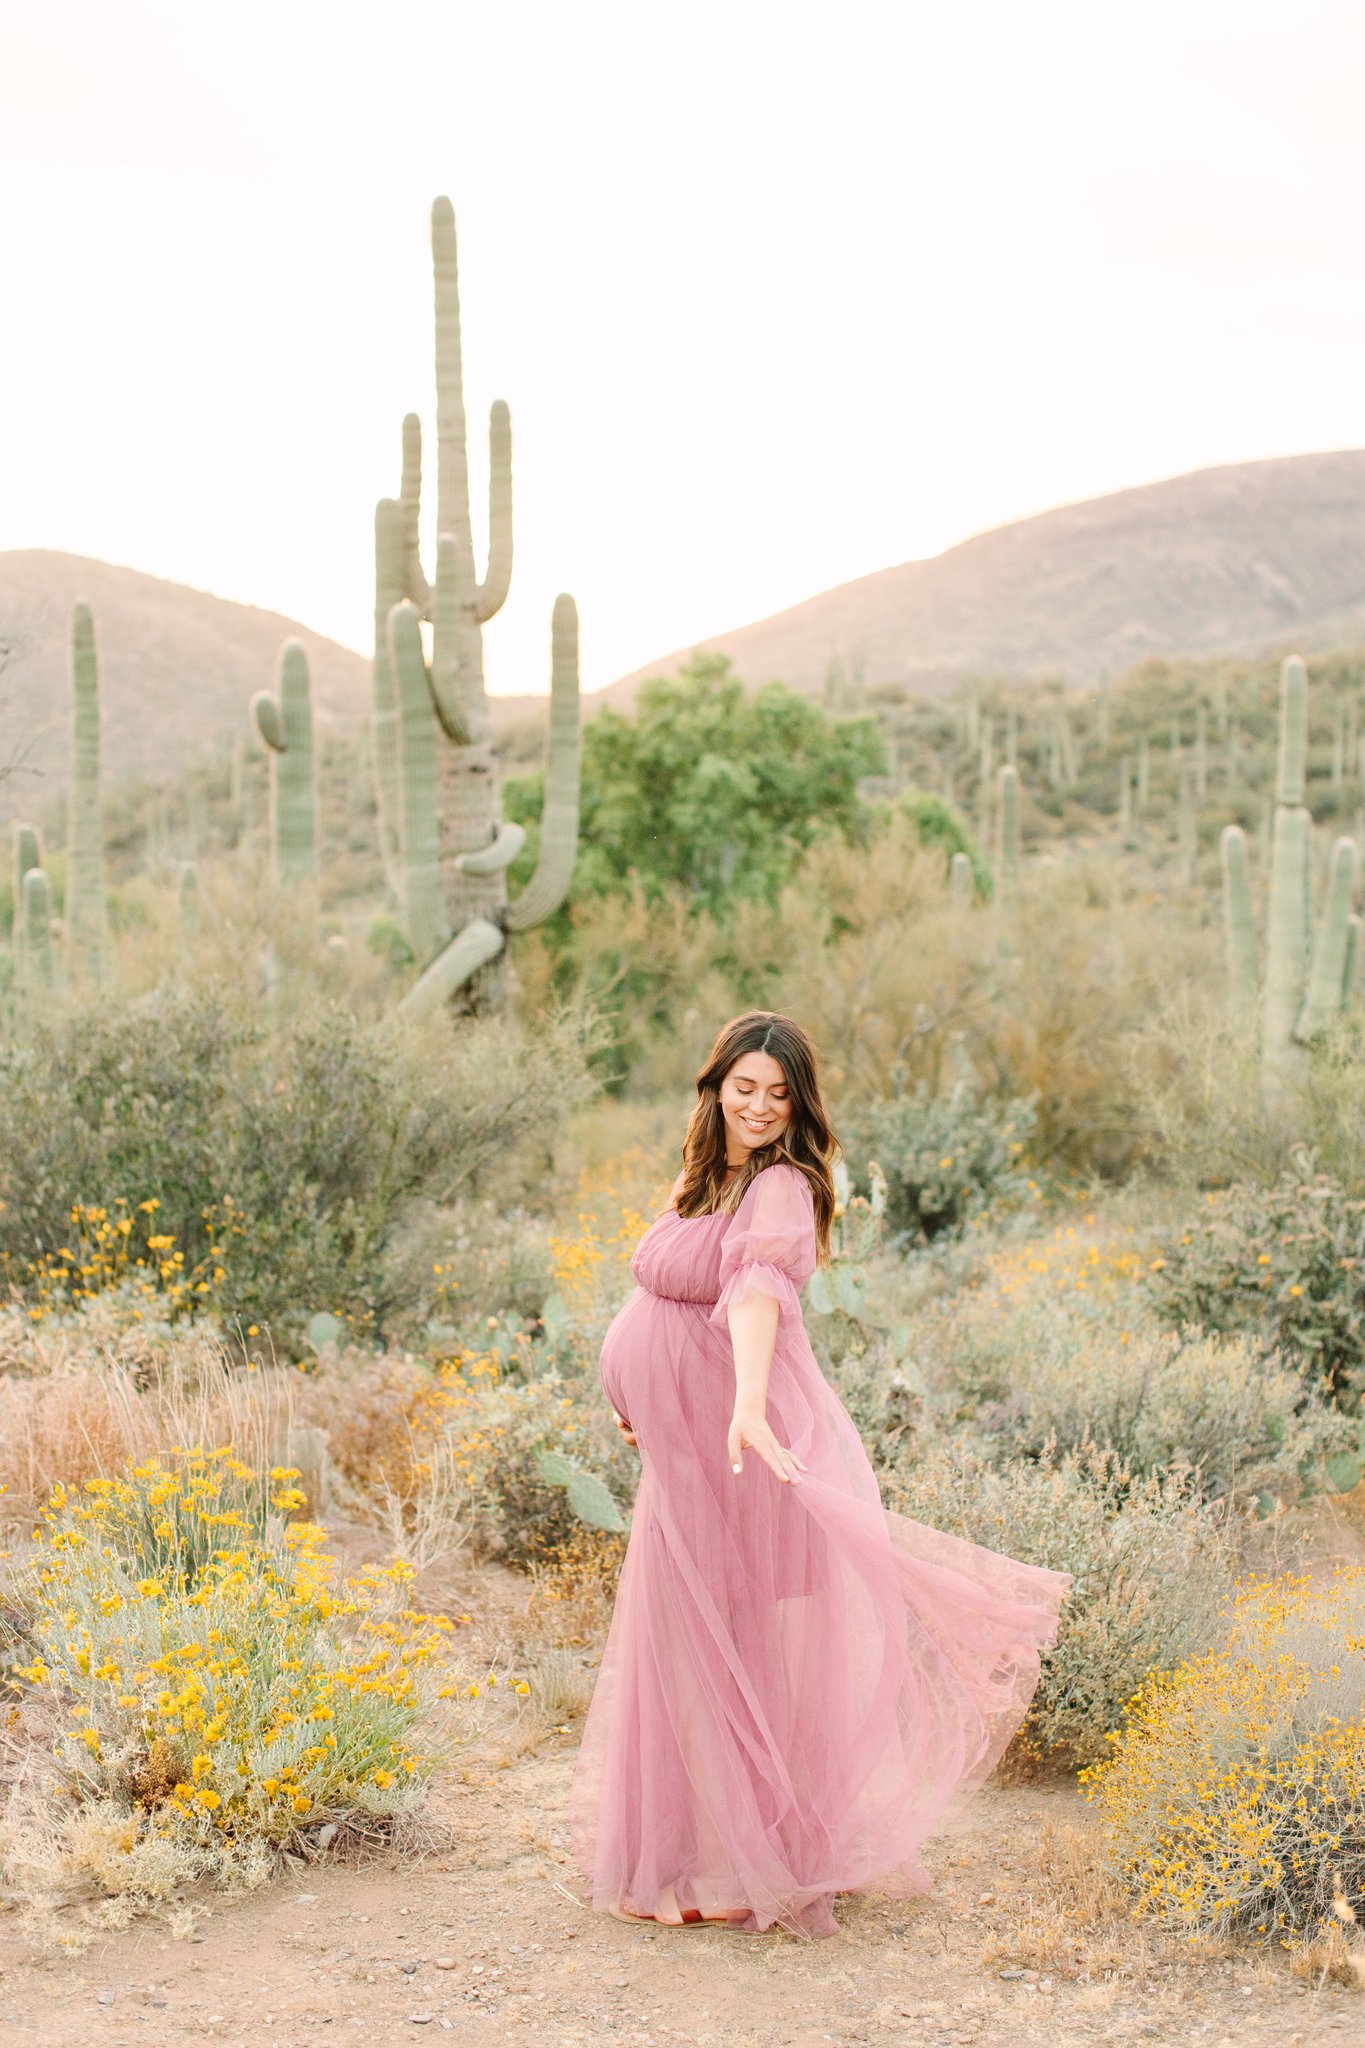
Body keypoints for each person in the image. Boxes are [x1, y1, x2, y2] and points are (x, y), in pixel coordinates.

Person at [567, 1010, 1071, 1939]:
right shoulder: (704, 1176)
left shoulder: (782, 1187)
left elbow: (757, 1296)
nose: (758, 1106)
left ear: (797, 1104)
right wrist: (634, 1396)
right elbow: (660, 1299)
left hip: (739, 1449)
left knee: (727, 1645)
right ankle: (692, 1850)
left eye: (777, 1092)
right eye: (743, 1086)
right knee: (688, 1646)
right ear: (716, 1083)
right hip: (686, 1452)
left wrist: (745, 1404)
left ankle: (738, 1862)